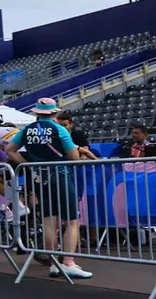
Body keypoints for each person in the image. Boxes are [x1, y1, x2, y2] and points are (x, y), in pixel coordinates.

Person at [5, 98, 92, 279]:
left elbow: (10, 150)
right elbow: (74, 158)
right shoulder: (59, 129)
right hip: (60, 175)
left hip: (38, 176)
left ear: (36, 112)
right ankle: (68, 262)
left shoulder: (26, 130)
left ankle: (54, 263)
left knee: (48, 220)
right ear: (54, 113)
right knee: (72, 220)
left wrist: (26, 164)